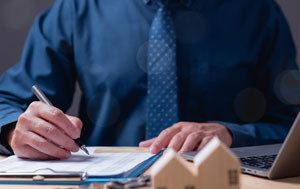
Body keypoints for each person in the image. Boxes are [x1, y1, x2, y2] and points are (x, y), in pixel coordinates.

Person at [0, 0, 299, 160]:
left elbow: (290, 123)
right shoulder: (77, 8)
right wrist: (17, 131)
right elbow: (8, 102)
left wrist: (231, 135)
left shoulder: (257, 11)